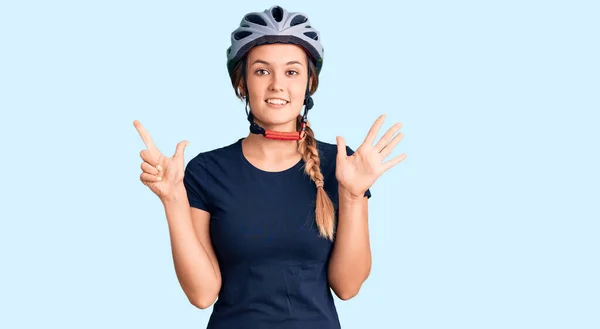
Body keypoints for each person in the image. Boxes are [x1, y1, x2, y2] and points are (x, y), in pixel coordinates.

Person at [133, 5, 406, 329]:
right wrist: (173, 199)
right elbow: (203, 295)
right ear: (242, 83)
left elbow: (348, 287)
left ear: (309, 84)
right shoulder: (206, 171)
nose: (277, 84)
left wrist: (352, 194)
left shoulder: (342, 166)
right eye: (262, 71)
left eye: (292, 72)